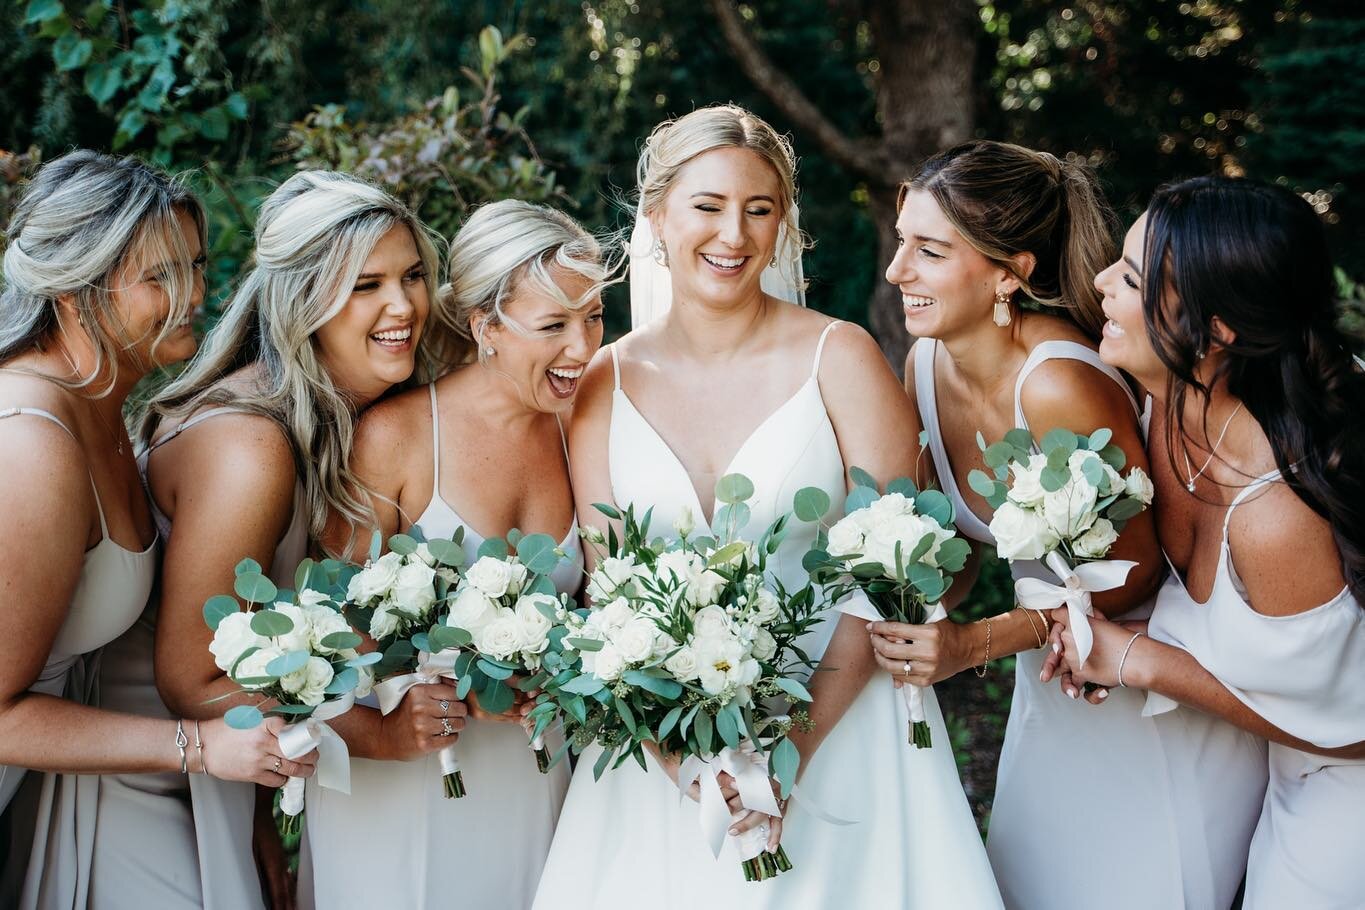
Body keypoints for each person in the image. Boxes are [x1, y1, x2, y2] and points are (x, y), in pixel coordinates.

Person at [533, 104, 1002, 910]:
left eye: (758, 210)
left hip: (842, 724)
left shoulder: (839, 355)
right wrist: (689, 765)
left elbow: (888, 573)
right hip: (667, 755)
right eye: (707, 207)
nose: (734, 235)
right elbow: (612, 594)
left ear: (782, 221)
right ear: (655, 215)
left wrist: (790, 749)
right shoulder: (601, 383)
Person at [95, 169, 451, 910]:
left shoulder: (316, 424)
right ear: (303, 302)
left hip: (217, 777)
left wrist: (259, 822)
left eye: (412, 275)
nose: (402, 305)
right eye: (364, 285)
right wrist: (377, 734)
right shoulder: (249, 446)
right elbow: (192, 679)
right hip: (144, 787)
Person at [0, 150, 311, 909]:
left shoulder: (111, 411)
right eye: (158, 277)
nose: (195, 293)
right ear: (76, 293)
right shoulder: (33, 443)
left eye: (197, 266)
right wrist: (203, 749)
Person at [1049, 175, 1365, 909]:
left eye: (1127, 276)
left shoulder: (1279, 513)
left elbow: (1351, 731)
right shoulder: (1161, 398)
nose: (1098, 283)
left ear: (1215, 329)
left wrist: (1141, 658)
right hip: (1239, 756)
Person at [869, 140, 1169, 909]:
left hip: (1143, 686)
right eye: (902, 242)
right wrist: (890, 599)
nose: (896, 271)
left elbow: (1132, 577)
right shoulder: (923, 367)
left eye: (928, 251)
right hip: (1048, 687)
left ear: (1009, 272)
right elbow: (959, 556)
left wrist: (975, 643)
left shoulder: (1059, 385)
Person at [303, 200, 612, 909]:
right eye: (554, 325)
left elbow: (606, 600)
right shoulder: (397, 438)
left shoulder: (584, 429)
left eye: (593, 317)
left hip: (538, 774)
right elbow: (328, 625)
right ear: (486, 327)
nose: (582, 347)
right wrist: (433, 680)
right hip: (408, 770)